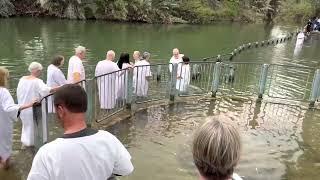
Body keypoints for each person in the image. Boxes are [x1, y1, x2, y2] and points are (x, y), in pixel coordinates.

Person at [27, 84, 134, 180]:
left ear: (60, 110)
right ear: (85, 106)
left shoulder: (47, 153)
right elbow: (125, 169)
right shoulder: (108, 139)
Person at [0, 67, 35, 169]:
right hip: (2, 127)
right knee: (3, 152)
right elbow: (10, 108)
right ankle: (5, 170)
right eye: (7, 77)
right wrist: (29, 104)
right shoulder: (3, 92)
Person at [17, 62, 56, 147]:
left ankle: (25, 144)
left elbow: (19, 93)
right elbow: (46, 90)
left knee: (26, 127)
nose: (41, 72)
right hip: (34, 109)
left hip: (23, 108)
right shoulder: (37, 81)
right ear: (37, 71)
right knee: (36, 127)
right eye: (40, 71)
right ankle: (37, 144)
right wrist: (61, 87)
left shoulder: (22, 79)